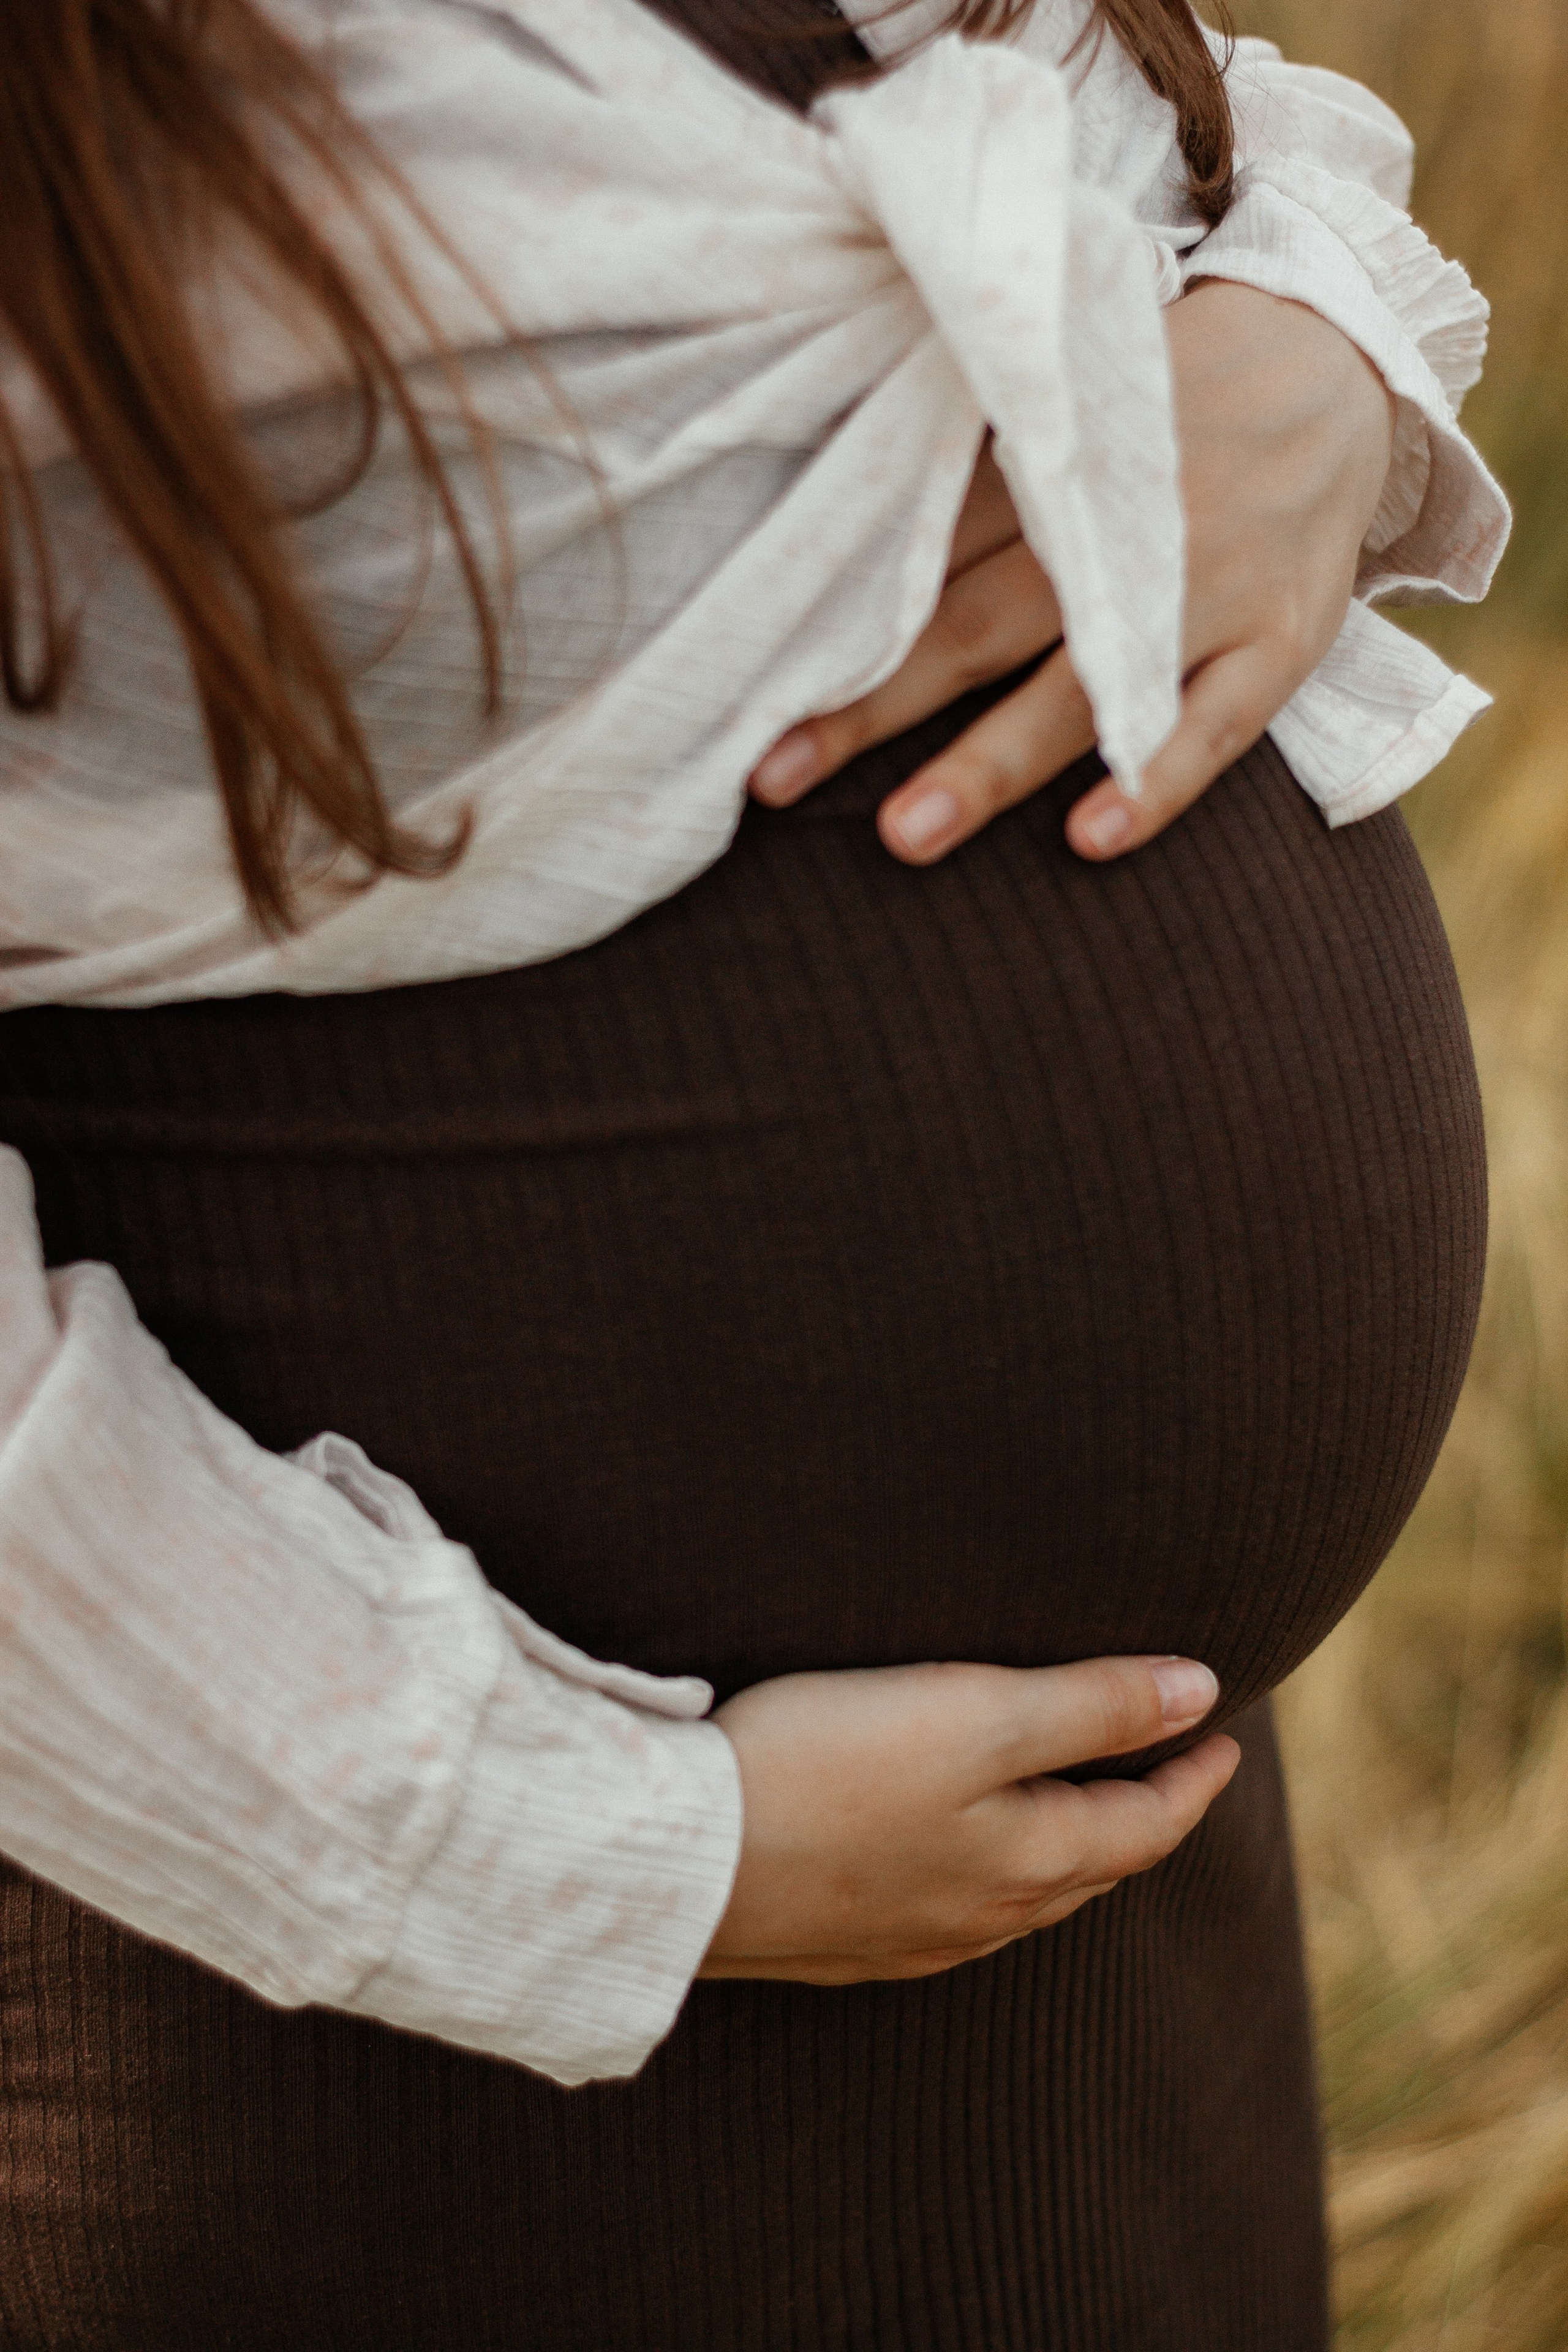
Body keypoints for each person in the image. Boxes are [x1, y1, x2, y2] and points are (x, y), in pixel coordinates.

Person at [0, 1, 1506, 2343]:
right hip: (396, 2046)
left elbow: (1092, 131)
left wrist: (1305, 336)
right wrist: (603, 1862)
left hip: (1116, 1950)